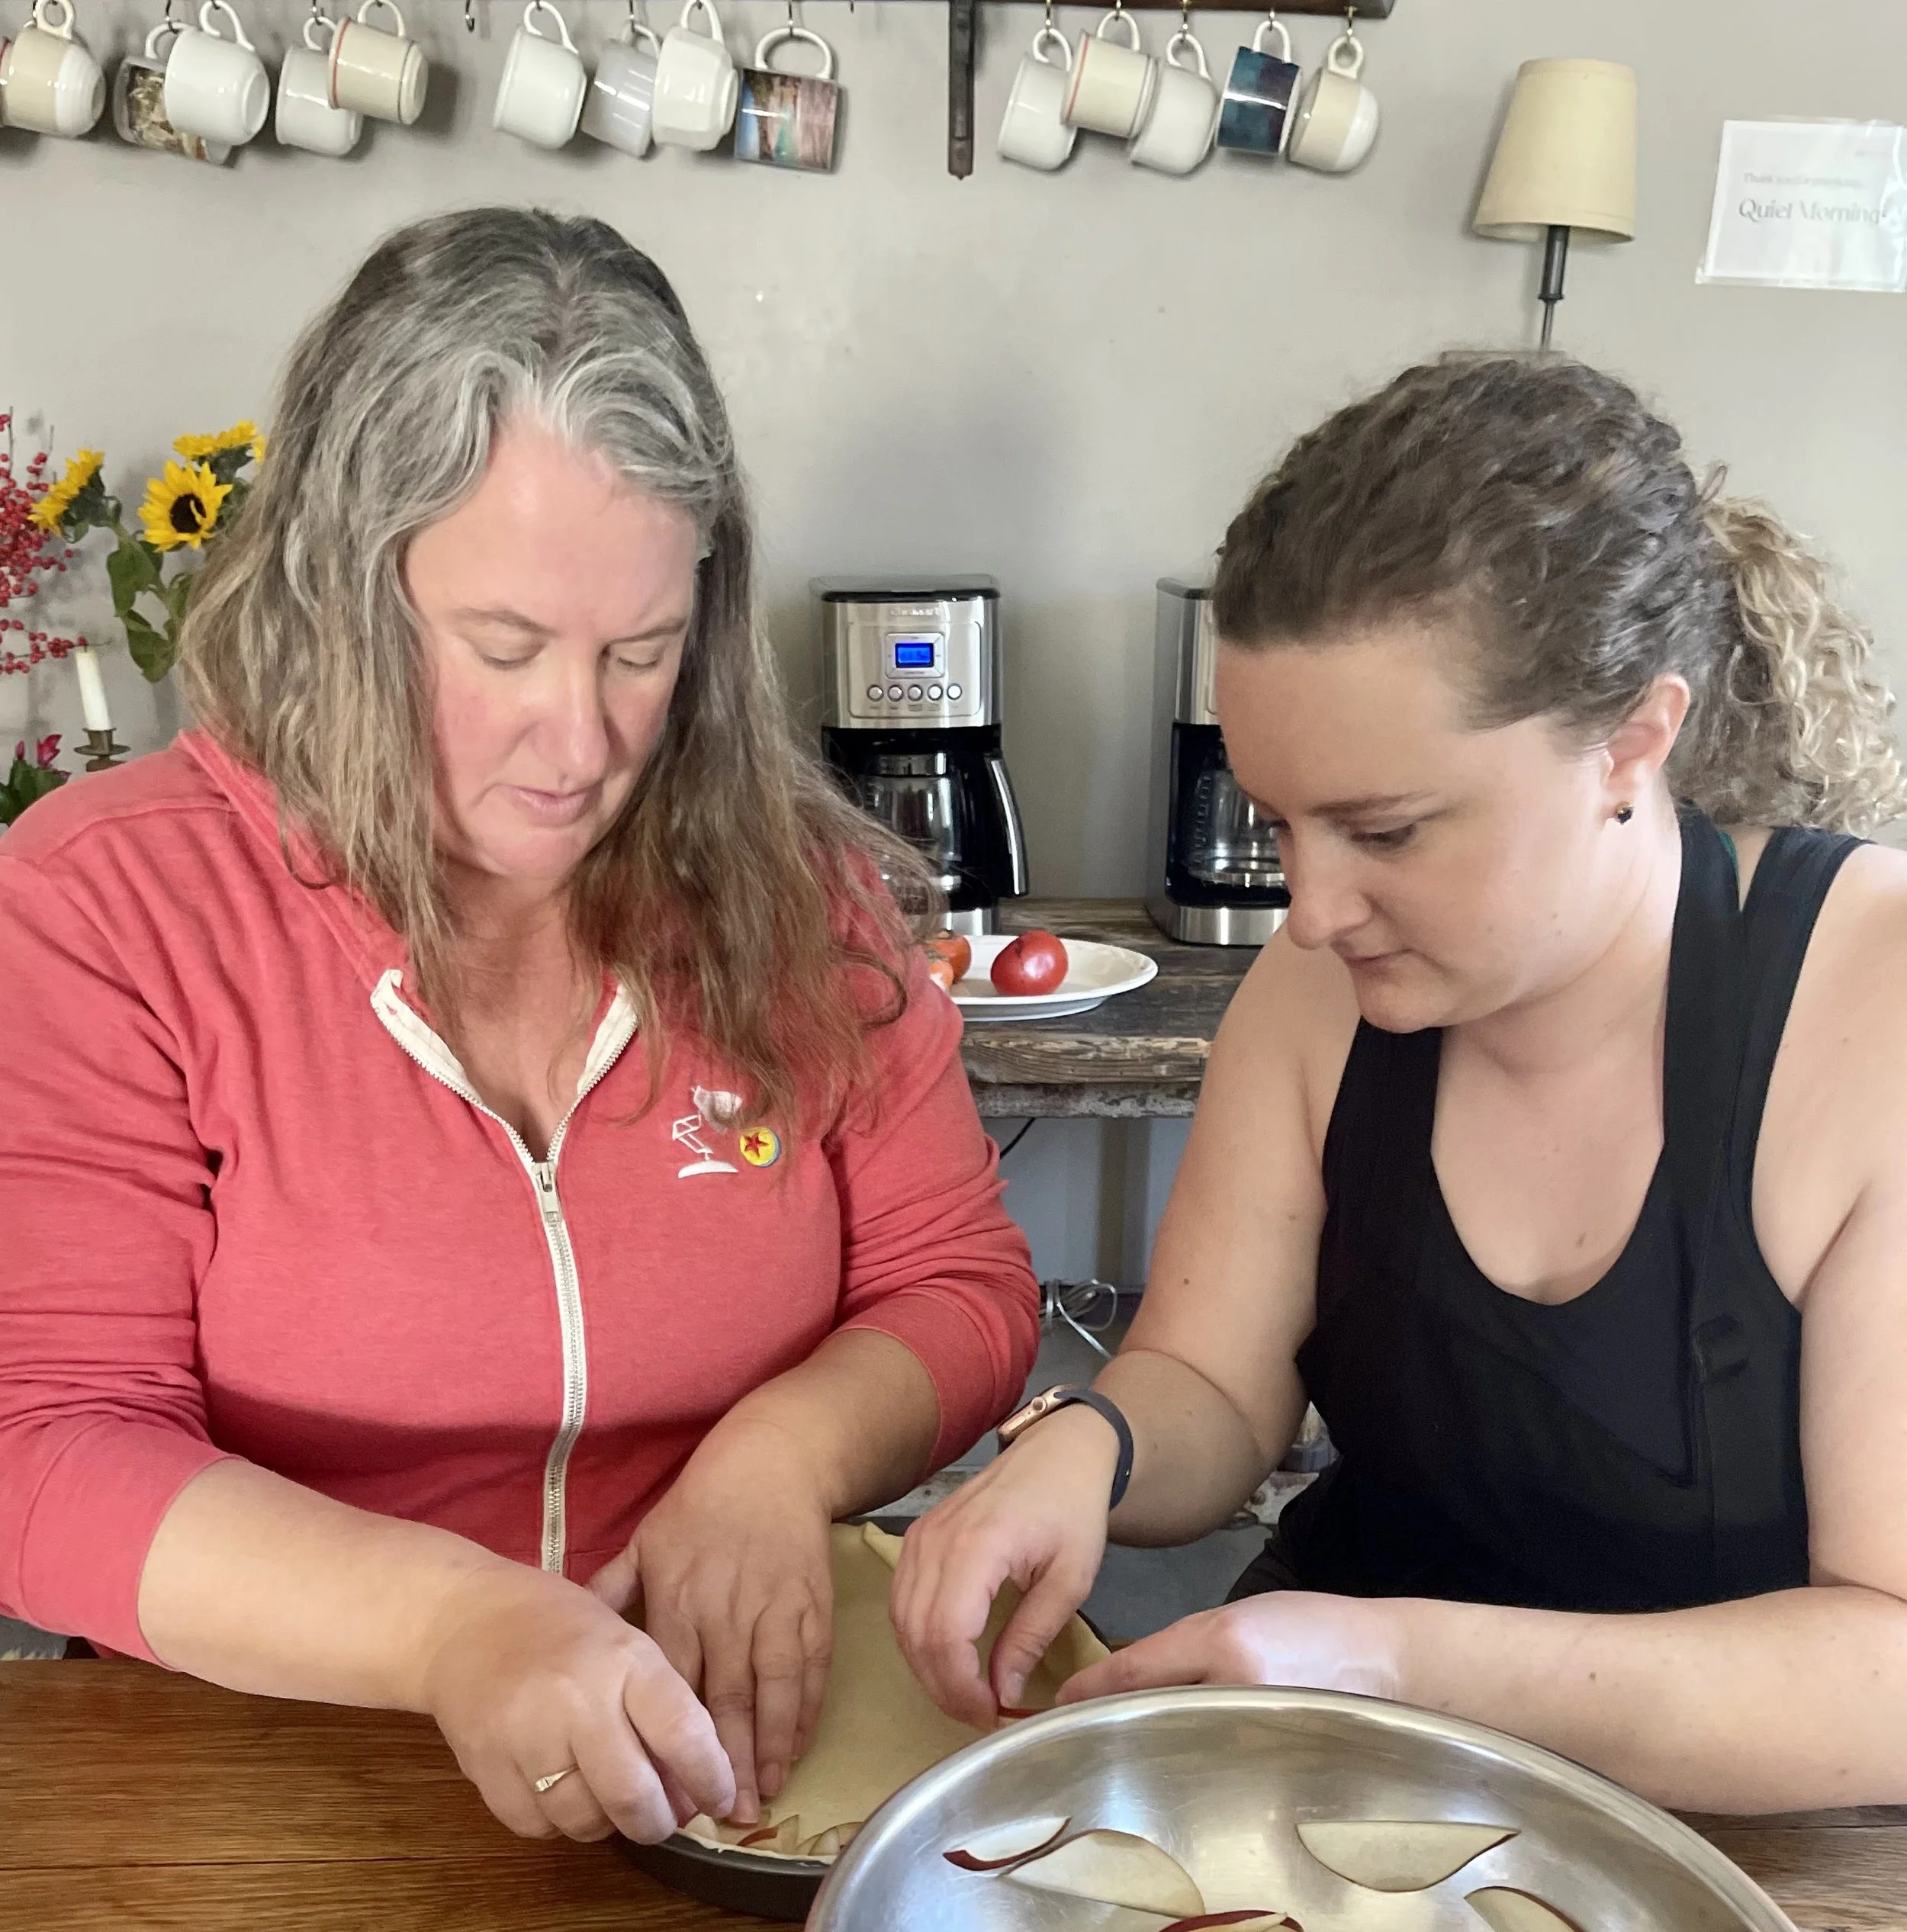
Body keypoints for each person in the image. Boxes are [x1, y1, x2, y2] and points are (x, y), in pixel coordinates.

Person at [0, 210, 1039, 1844]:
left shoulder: (803, 894)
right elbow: (49, 1452)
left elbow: (961, 1284)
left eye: (641, 651)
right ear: (346, 593)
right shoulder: (103, 906)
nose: (582, 741)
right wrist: (455, 1624)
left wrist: (784, 1453)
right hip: (265, 1774)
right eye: (502, 649)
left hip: (734, 1735)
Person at [894, 351, 1907, 1815]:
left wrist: (1389, 1665)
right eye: (1279, 822)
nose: (1311, 913)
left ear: (1634, 738)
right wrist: (1090, 1451)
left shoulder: (1866, 1005)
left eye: (1386, 831)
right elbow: (1210, 1382)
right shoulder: (1321, 998)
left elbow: (1883, 1669)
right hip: (1335, 1752)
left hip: (1741, 1831)